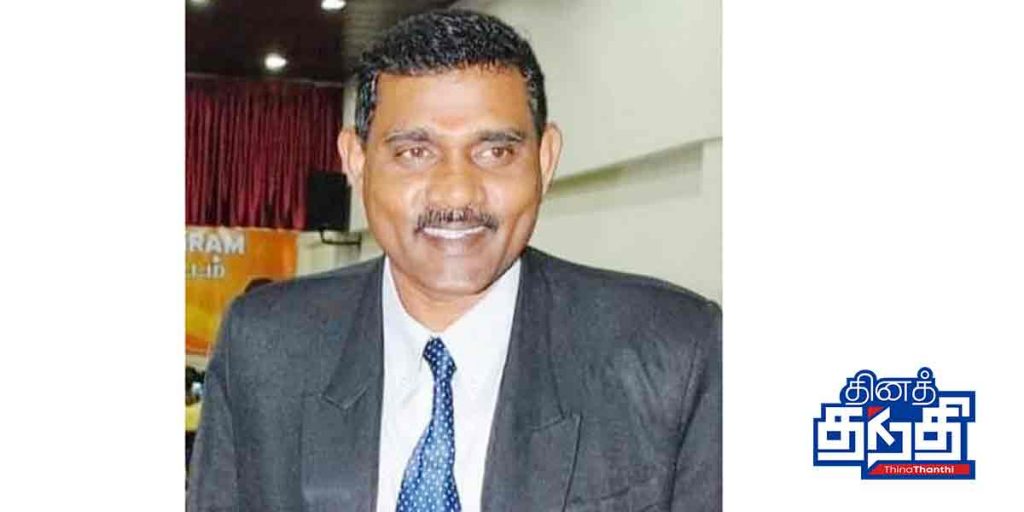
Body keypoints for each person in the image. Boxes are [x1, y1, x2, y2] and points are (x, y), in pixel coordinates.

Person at [188, 9, 720, 512]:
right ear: (356, 160)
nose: (456, 193)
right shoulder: (266, 346)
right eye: (414, 152)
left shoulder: (674, 353)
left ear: (545, 159)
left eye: (495, 151)